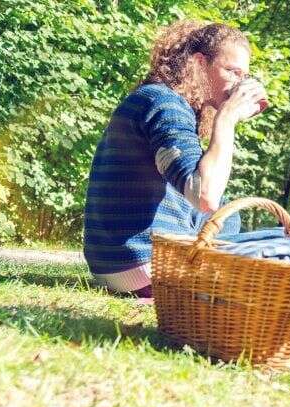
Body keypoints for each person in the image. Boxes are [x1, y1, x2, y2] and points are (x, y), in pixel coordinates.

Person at [83, 21, 268, 299]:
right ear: (198, 63)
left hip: (113, 263)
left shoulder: (157, 99)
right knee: (275, 250)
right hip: (143, 266)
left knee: (228, 214)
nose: (239, 84)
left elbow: (207, 202)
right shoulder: (164, 103)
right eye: (232, 71)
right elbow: (204, 194)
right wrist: (227, 119)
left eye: (244, 75)